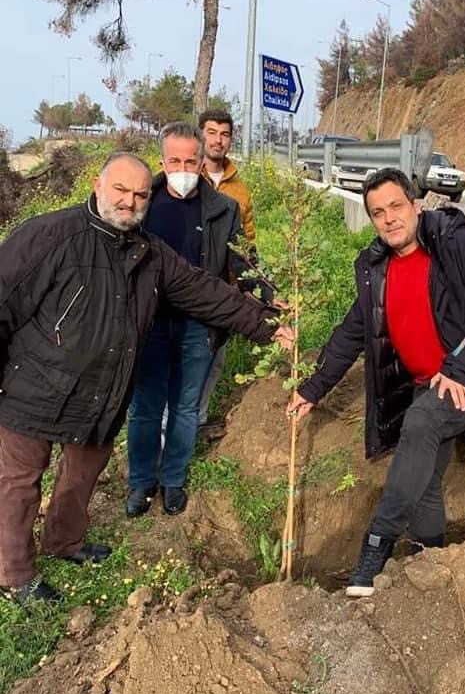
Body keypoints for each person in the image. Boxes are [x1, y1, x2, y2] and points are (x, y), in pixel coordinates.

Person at [0, 151, 291, 603]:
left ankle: (64, 541)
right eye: (120, 190)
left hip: (100, 392)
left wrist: (269, 324)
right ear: (98, 185)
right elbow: (4, 298)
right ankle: (16, 574)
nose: (129, 201)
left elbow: (206, 292)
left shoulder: (150, 253)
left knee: (81, 474)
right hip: (33, 386)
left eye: (139, 194)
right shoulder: (51, 236)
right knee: (19, 481)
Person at [287, 167, 465, 597]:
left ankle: (376, 546)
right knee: (424, 477)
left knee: (422, 420)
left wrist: (460, 368)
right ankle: (431, 561)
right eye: (377, 212)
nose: (388, 219)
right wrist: (312, 389)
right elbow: (352, 333)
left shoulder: (459, 247)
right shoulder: (378, 270)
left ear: (416, 205)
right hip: (431, 384)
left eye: (395, 206)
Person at [126, 122, 270, 519]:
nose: (184, 167)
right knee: (145, 408)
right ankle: (140, 482)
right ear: (162, 161)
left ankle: (172, 480)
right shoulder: (142, 205)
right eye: (175, 160)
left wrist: (270, 305)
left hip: (197, 325)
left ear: (202, 160)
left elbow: (243, 265)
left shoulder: (223, 210)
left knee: (186, 408)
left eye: (191, 160)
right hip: (150, 324)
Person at [197, 109, 259, 435]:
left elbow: (246, 247)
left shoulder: (240, 191)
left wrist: (254, 291)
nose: (217, 140)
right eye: (211, 132)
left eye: (224, 134)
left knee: (215, 359)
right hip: (187, 286)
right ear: (200, 135)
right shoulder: (187, 176)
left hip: (223, 289)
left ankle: (198, 419)